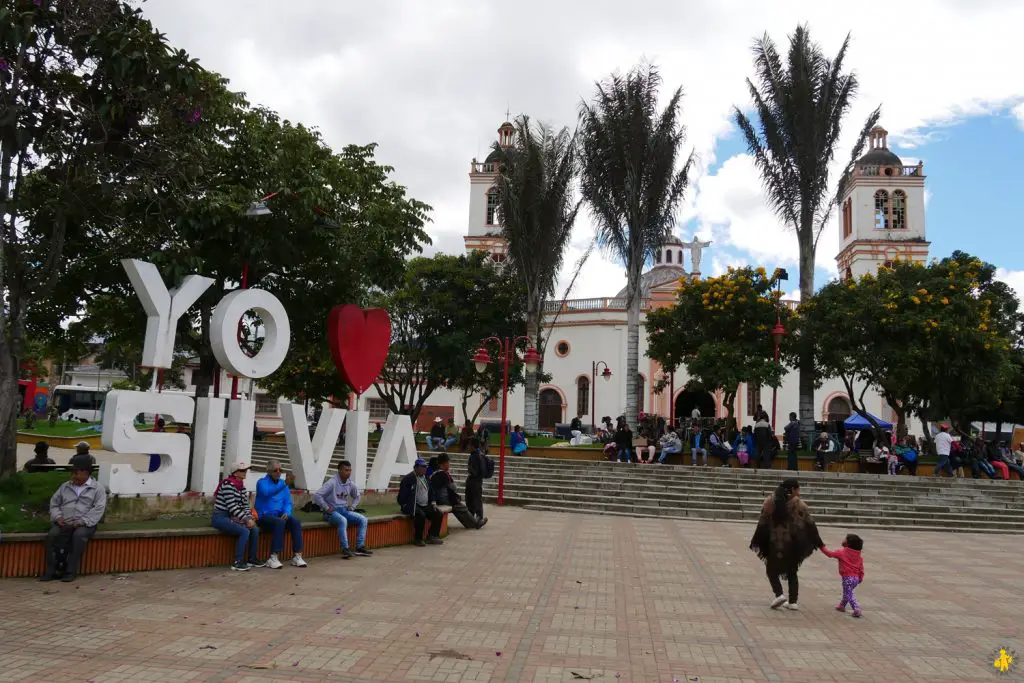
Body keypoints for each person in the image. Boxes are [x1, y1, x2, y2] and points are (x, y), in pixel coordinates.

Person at [749, 478, 823, 611]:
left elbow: (762, 523)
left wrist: (757, 540)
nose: (799, 492)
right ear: (793, 490)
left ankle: (779, 594)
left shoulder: (770, 502)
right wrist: (819, 543)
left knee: (771, 570)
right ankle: (793, 601)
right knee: (792, 572)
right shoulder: (800, 505)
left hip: (774, 543)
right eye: (798, 489)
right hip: (793, 545)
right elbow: (810, 524)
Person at [40, 455, 108, 582]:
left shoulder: (97, 488)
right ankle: (51, 570)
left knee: (78, 537)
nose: (73, 476)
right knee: (52, 535)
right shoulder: (65, 486)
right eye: (72, 473)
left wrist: (82, 522)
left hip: (85, 524)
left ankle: (70, 571)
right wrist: (58, 517)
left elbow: (98, 509)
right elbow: (54, 503)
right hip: (63, 522)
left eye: (76, 473)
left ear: (85, 472)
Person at [313, 460, 372, 559]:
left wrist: (352, 507)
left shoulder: (350, 483)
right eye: (346, 470)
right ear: (339, 470)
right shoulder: (332, 482)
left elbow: (357, 496)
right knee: (343, 521)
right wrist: (326, 508)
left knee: (363, 519)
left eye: (349, 470)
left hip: (344, 510)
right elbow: (317, 495)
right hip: (331, 513)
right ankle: (345, 549)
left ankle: (360, 547)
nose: (348, 472)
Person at [211, 461, 263, 572]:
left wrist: (249, 517)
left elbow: (245, 505)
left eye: (246, 470)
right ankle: (237, 562)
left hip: (233, 516)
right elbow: (232, 506)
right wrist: (246, 519)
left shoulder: (242, 487)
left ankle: (252, 559)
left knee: (254, 529)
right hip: (220, 517)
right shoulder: (227, 485)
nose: (245, 472)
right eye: (242, 470)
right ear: (235, 473)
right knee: (244, 531)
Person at [254, 459, 307, 569]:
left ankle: (297, 555)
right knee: (280, 523)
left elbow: (287, 502)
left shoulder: (283, 484)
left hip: (279, 515)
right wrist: (284, 485)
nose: (278, 472)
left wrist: (286, 512)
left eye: (280, 470)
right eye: (275, 470)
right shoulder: (261, 482)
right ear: (269, 471)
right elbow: (266, 493)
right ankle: (273, 557)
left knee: (295, 522)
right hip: (264, 516)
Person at [430, 453, 485, 529]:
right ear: (444, 464)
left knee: (458, 508)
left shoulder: (435, 473)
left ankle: (471, 524)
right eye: (448, 462)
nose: (449, 464)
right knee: (461, 507)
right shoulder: (443, 474)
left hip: (438, 499)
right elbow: (453, 488)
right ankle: (475, 524)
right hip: (443, 500)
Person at [398, 459, 443, 546]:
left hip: (424, 505)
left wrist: (433, 503)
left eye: (425, 467)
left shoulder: (426, 478)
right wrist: (406, 505)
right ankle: (418, 539)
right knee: (420, 515)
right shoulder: (408, 479)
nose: (424, 469)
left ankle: (432, 536)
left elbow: (431, 492)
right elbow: (402, 497)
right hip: (412, 505)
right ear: (416, 468)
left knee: (438, 514)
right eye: (422, 467)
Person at [820, 534, 865, 618]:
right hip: (856, 578)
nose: (843, 540)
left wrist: (821, 546)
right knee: (847, 592)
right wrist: (860, 578)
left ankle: (856, 608)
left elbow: (829, 554)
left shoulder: (842, 552)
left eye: (845, 539)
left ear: (848, 543)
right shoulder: (858, 555)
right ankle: (842, 606)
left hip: (847, 578)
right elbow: (861, 568)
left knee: (849, 594)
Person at [465, 437, 489, 523]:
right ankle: (474, 517)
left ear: (472, 446)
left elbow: (474, 470)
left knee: (473, 498)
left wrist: (470, 469)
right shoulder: (478, 454)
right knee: (474, 498)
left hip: (474, 480)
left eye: (469, 445)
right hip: (477, 480)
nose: (468, 446)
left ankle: (478, 517)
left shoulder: (474, 456)